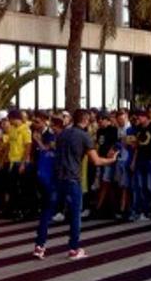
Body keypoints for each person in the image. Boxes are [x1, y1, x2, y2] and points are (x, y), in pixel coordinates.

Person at [33, 109, 117, 260]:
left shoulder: (62, 134)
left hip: (57, 177)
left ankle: (40, 245)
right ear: (85, 120)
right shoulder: (85, 137)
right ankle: (73, 248)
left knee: (47, 211)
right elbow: (96, 161)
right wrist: (111, 160)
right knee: (75, 214)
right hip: (72, 179)